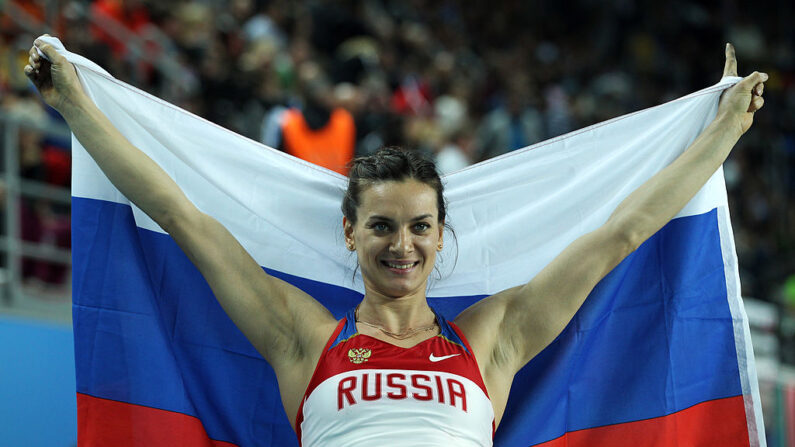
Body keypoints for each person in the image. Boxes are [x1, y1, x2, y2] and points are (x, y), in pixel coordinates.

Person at [25, 35, 766, 446]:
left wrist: (724, 129)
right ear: (349, 231)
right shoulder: (301, 337)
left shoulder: (494, 336)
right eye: (380, 224)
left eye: (418, 226)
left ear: (441, 237)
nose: (400, 245)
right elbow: (183, 217)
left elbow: (622, 233)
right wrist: (77, 109)